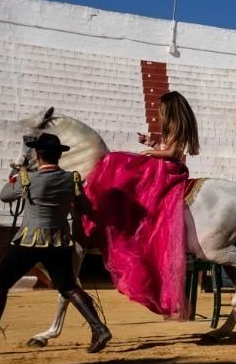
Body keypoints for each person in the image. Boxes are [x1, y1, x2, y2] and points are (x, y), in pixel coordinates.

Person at [0, 132, 112, 355]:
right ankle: (98, 328)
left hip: (28, 241)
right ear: (59, 155)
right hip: (59, 241)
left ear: (38, 155)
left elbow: (5, 195)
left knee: (0, 283)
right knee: (68, 286)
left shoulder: (28, 179)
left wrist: (17, 170)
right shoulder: (72, 179)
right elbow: (85, 208)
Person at [79, 90, 199, 318]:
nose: (160, 114)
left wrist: (151, 152)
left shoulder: (177, 127)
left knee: (118, 163)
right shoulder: (177, 127)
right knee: (123, 164)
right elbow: (169, 149)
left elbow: (172, 152)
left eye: (162, 110)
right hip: (167, 166)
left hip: (169, 170)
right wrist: (153, 143)